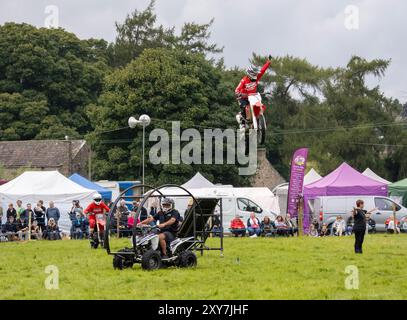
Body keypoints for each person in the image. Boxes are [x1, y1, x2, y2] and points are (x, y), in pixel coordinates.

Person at [235, 55, 272, 127]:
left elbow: (263, 70)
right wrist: (238, 93)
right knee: (247, 107)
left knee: (261, 106)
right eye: (254, 73)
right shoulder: (244, 80)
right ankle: (246, 120)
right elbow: (237, 89)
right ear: (250, 74)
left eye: (256, 73)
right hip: (244, 98)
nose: (256, 75)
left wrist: (268, 62)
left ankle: (258, 119)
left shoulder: (257, 77)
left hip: (253, 97)